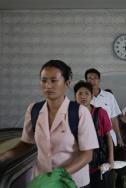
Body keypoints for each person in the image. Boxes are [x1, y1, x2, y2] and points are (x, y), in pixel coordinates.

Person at [0, 60, 99, 188]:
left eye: (53, 80)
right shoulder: (34, 110)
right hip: (42, 181)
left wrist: (57, 176)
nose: (48, 85)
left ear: (66, 83)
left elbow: (87, 155)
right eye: (44, 80)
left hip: (72, 182)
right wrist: (3, 156)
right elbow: (25, 144)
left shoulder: (79, 112)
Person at [74, 80, 114, 188]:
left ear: (92, 96)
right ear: (75, 97)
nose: (83, 96)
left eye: (87, 93)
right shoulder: (71, 115)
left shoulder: (101, 113)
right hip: (79, 166)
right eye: (80, 93)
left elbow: (108, 137)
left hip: (99, 165)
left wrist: (111, 159)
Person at [84, 68, 124, 147]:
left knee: (109, 159)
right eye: (90, 78)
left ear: (99, 80)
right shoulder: (83, 98)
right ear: (86, 81)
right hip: (89, 138)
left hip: (108, 137)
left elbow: (114, 118)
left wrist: (119, 137)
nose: (92, 81)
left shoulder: (109, 96)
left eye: (95, 78)